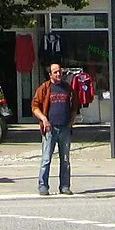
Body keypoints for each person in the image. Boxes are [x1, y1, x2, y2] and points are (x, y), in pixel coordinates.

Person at [31, 62, 75, 196]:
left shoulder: (67, 88)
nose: (58, 74)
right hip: (50, 129)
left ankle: (65, 186)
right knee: (46, 159)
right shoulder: (44, 88)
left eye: (60, 72)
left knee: (65, 159)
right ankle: (43, 186)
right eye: (55, 72)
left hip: (64, 129)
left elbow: (74, 107)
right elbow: (34, 106)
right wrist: (44, 119)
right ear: (50, 74)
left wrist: (71, 123)